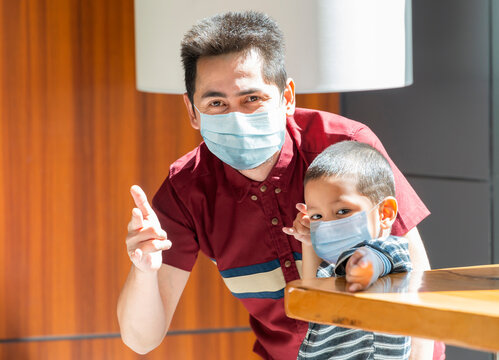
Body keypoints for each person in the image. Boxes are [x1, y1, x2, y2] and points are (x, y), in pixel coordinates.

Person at [117, 10, 443, 360]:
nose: (236, 118)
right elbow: (140, 340)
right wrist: (143, 270)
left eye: (252, 99)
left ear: (287, 97)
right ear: (193, 111)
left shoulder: (345, 145)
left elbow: (415, 278)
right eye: (216, 103)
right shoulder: (186, 190)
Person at [296, 140, 413, 359]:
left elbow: (377, 259)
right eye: (317, 216)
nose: (328, 225)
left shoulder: (389, 250)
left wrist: (364, 265)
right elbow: (310, 292)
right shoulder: (330, 271)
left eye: (342, 211)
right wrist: (309, 238)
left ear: (385, 213)